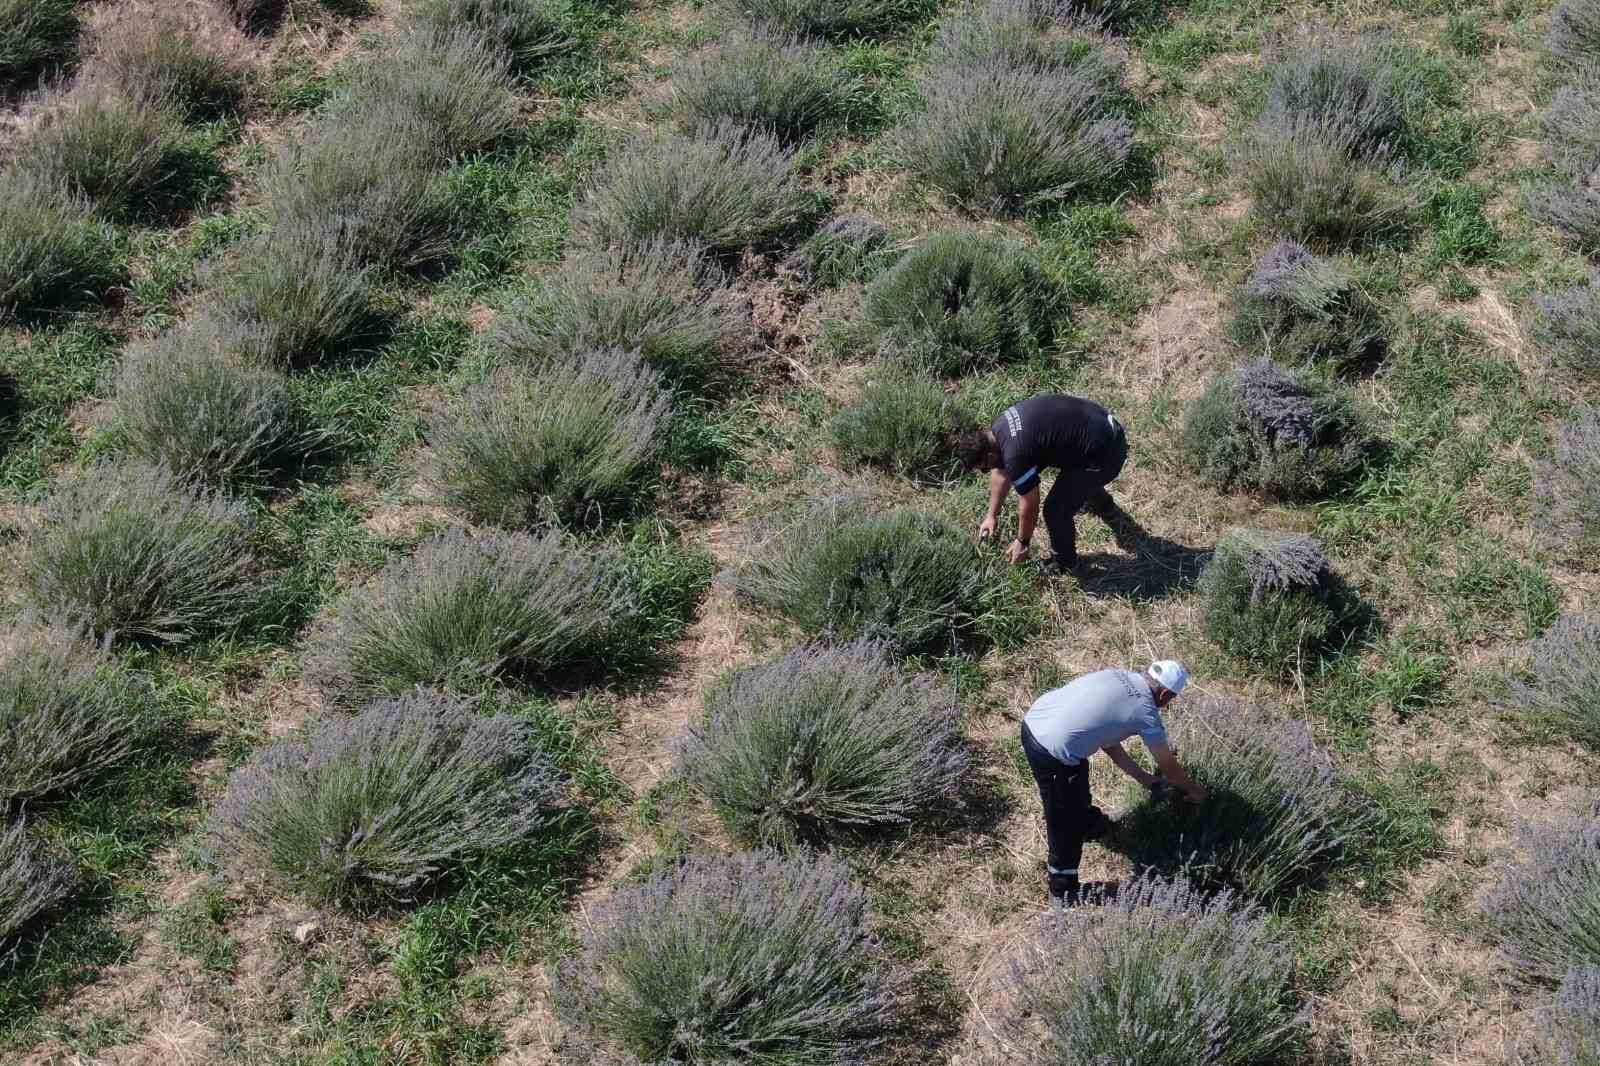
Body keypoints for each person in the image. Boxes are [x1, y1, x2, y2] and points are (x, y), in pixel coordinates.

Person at [1020, 659, 1207, 905]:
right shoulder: (1146, 712)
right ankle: (1062, 890)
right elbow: (1170, 769)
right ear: (1164, 694)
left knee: (1074, 783)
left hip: (1037, 719)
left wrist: (1143, 778)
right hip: (1051, 748)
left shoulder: (1118, 675)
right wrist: (1195, 791)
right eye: (1170, 699)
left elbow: (1106, 737)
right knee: (1063, 820)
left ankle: (1090, 824)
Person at [954, 393, 1133, 573]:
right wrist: (991, 515)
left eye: (984, 468)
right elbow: (1000, 472)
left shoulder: (1015, 455)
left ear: (990, 455)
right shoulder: (999, 429)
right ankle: (1104, 507)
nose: (987, 471)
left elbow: (1030, 505)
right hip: (1101, 426)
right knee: (1077, 479)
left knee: (1055, 510)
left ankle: (1065, 562)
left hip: (1108, 452)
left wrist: (1022, 542)